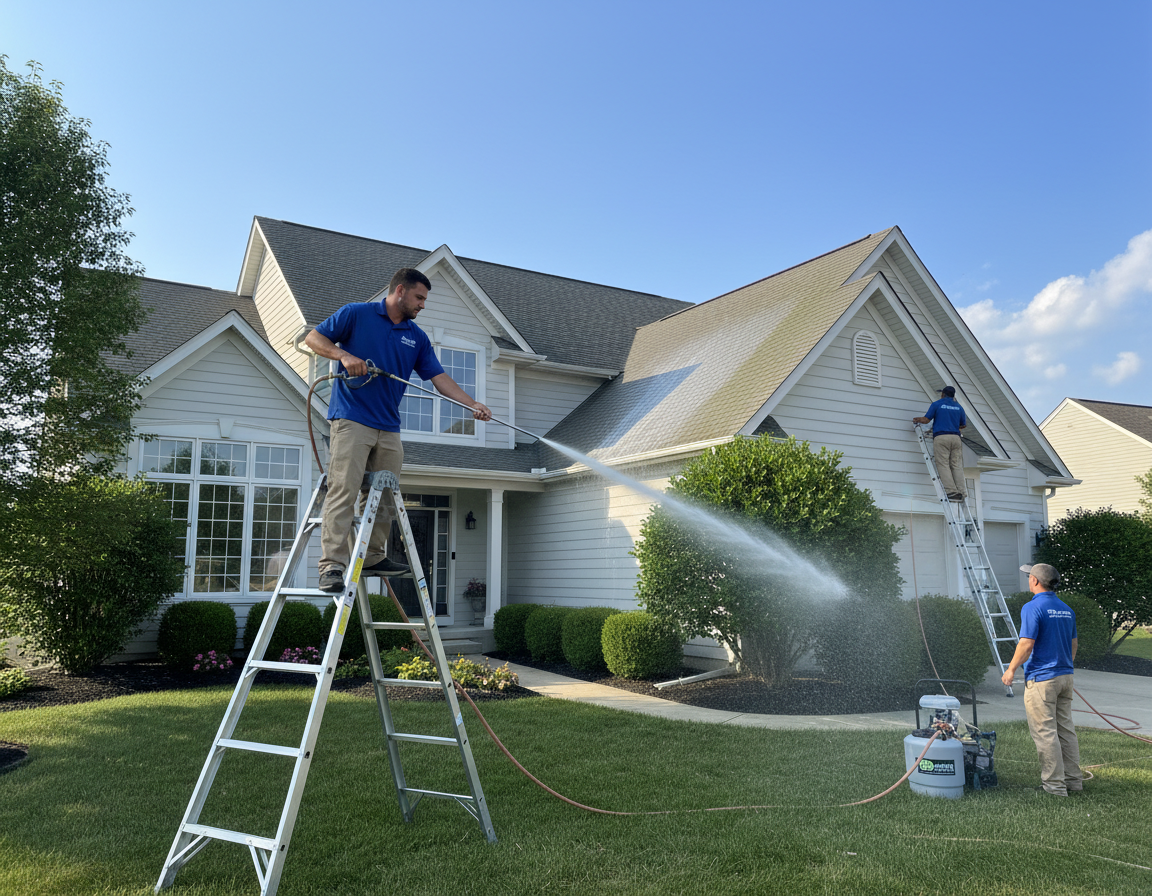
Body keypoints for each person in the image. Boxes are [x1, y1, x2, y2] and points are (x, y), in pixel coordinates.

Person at [304, 268, 491, 594]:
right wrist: (344, 355)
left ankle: (374, 555)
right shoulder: (356, 314)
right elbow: (313, 338)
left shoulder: (415, 337)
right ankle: (332, 566)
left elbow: (439, 378)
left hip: (388, 427)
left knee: (386, 495)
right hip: (351, 420)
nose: (423, 305)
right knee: (344, 490)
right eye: (420, 297)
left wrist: (472, 403)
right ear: (401, 291)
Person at [1001, 562, 1083, 796]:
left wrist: (1011, 670)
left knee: (1045, 731)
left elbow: (1026, 643)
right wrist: (1066, 665)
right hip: (1065, 677)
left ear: (1035, 581)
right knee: (1065, 730)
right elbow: (1073, 643)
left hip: (1042, 679)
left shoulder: (1032, 607)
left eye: (1029, 577)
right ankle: (1073, 782)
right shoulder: (1067, 609)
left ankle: (1055, 787)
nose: (1028, 580)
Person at [913, 386, 967, 501]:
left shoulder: (937, 404)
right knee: (956, 465)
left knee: (943, 464)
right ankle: (962, 491)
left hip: (942, 437)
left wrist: (916, 419)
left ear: (943, 394)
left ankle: (951, 491)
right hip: (956, 438)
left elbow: (926, 420)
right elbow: (963, 425)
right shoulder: (959, 407)